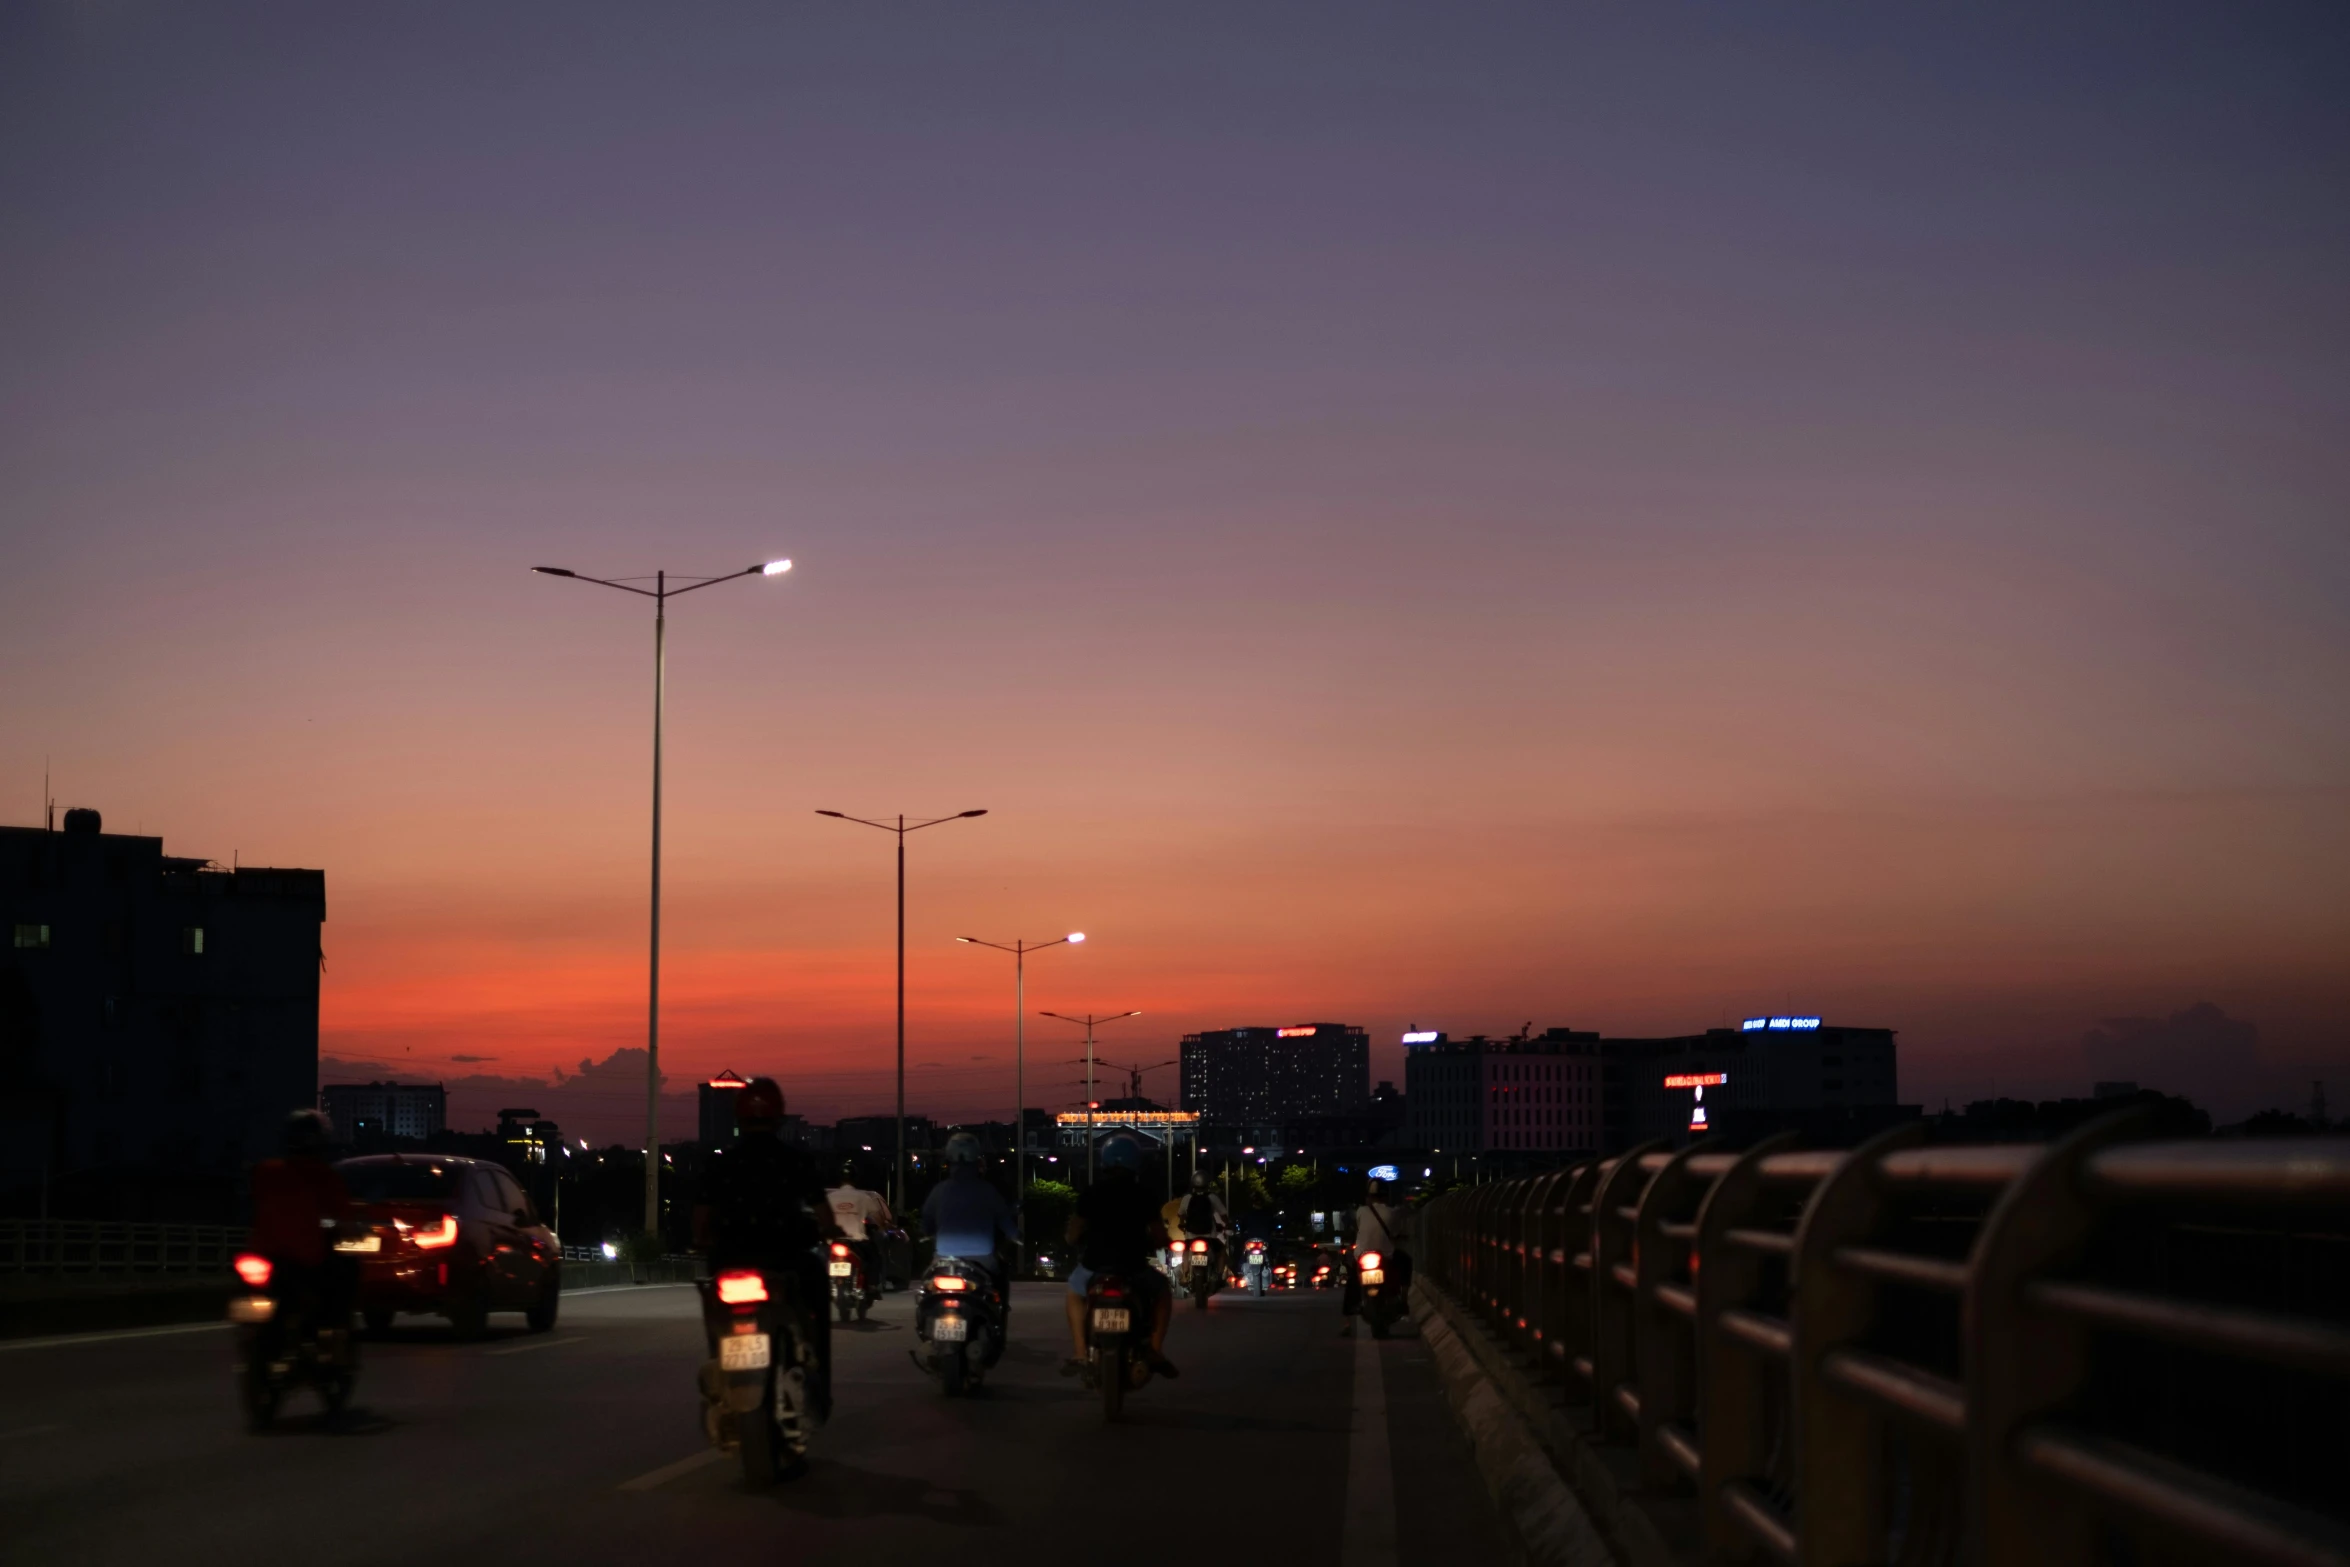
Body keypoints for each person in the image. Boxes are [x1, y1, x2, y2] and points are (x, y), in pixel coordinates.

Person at [693, 1078, 843, 1417]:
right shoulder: (795, 1160)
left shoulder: (721, 1163)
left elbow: (701, 1215)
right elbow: (822, 1213)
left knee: (714, 1308)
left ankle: (718, 1359)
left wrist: (701, 1241)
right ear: (779, 1117)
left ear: (739, 1118)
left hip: (729, 1257)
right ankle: (818, 1386)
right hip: (786, 1257)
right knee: (817, 1297)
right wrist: (830, 1231)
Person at [1062, 1134, 1178, 1379]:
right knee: (1163, 1291)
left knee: (1074, 1291)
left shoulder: (1091, 1193)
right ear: (1136, 1162)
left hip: (1094, 1266)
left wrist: (1075, 1239)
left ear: (1104, 1161)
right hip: (1134, 1268)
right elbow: (1158, 1236)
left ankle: (1080, 1353)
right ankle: (1155, 1350)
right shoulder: (1144, 1195)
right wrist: (1164, 1243)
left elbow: (1073, 1235)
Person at [249, 1109, 357, 1342]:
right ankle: (333, 1341)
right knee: (343, 1281)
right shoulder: (326, 1177)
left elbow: (249, 1204)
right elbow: (344, 1218)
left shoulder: (267, 1170)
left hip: (266, 1255)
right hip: (306, 1259)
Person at [921, 1133, 1021, 1357]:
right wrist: (1016, 1235)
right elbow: (1006, 1222)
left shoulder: (940, 1191)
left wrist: (927, 1233)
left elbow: (926, 1222)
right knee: (999, 1287)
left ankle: (925, 1330)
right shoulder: (988, 1191)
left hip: (943, 1259)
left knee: (925, 1290)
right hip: (983, 1260)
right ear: (978, 1161)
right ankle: (998, 1329)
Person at [1339, 1177, 1411, 1335]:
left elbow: (1360, 1228)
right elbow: (1396, 1233)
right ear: (1386, 1195)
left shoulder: (1361, 1211)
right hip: (1386, 1255)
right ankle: (1404, 1300)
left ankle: (1347, 1321)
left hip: (1362, 1255)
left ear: (1369, 1196)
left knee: (1352, 1279)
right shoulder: (1392, 1213)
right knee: (1406, 1262)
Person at [825, 1161, 895, 1298]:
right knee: (875, 1258)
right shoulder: (864, 1197)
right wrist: (882, 1227)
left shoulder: (829, 1197)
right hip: (857, 1240)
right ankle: (872, 1287)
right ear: (856, 1179)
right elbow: (878, 1217)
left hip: (833, 1240)